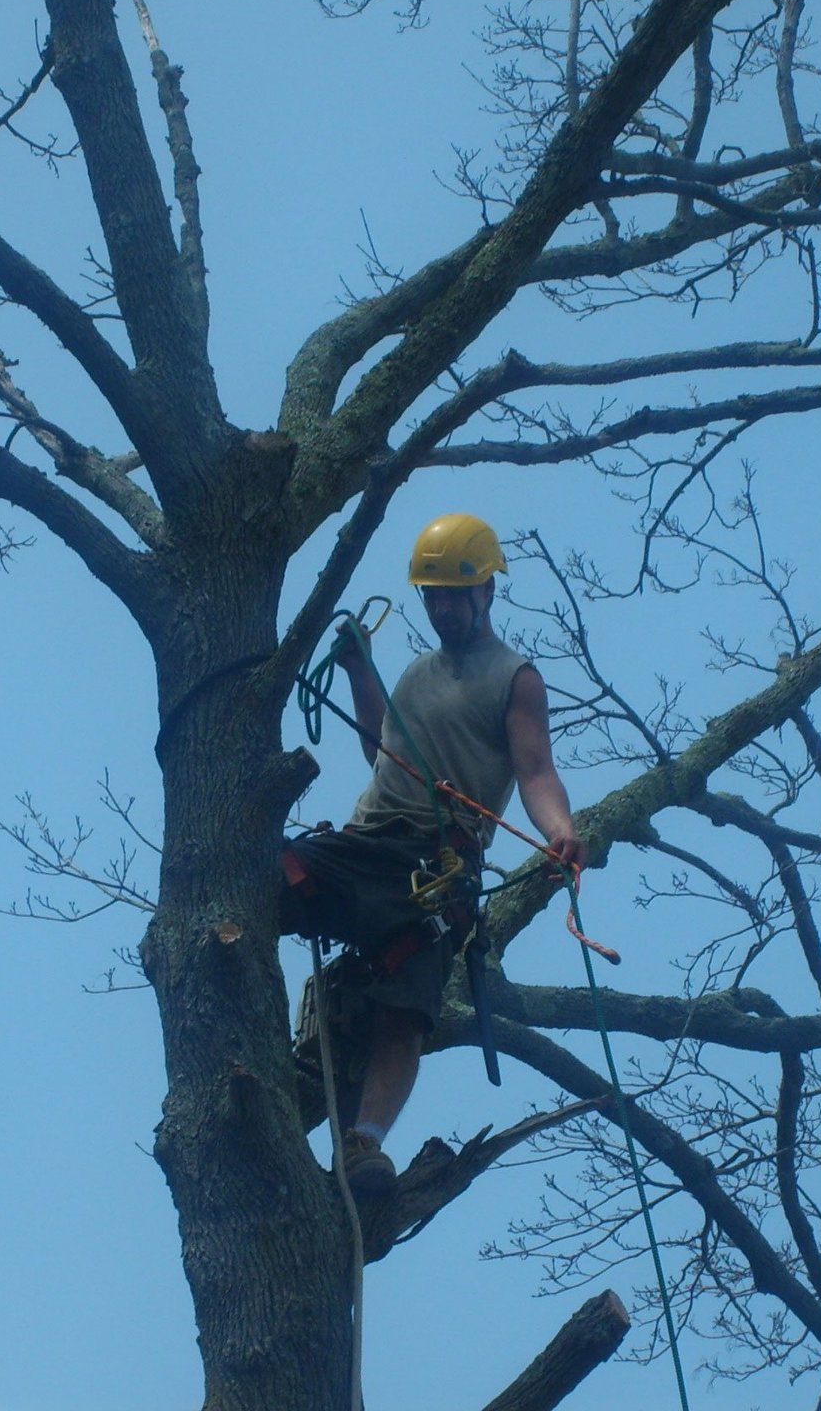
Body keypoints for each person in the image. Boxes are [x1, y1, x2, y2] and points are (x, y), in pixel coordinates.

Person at [284, 512, 581, 1196]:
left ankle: (363, 1145)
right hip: (365, 846)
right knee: (275, 876)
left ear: (488, 592)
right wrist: (360, 669)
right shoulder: (419, 672)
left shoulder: (514, 678)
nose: (445, 607)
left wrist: (559, 830)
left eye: (457, 593)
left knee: (405, 1002)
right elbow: (383, 751)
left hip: (432, 865)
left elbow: (535, 770)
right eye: (435, 594)